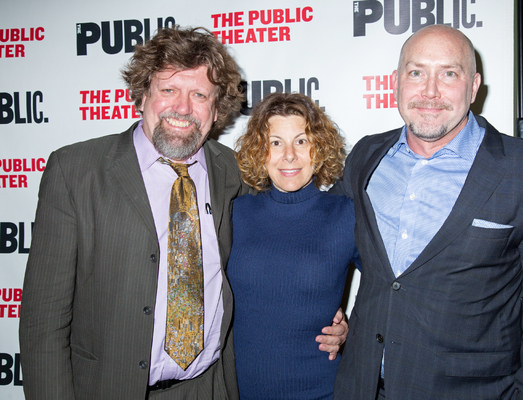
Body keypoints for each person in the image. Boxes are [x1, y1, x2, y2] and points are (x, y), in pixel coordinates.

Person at [19, 26, 347, 400]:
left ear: (216, 107)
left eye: (199, 94)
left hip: (210, 387)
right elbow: (42, 323)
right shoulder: (75, 171)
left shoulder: (231, 170)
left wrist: (333, 319)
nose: (183, 107)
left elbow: (292, 236)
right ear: (143, 94)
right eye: (169, 89)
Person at [332, 24, 523, 399]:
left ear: (474, 86)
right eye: (416, 73)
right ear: (396, 81)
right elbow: (331, 249)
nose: (430, 92)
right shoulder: (365, 157)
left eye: (449, 74)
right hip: (360, 387)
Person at [227, 92, 360, 400]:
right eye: (275, 142)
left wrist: (353, 331)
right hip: (238, 392)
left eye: (301, 141)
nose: (288, 155)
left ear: (319, 147)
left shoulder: (346, 215)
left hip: (322, 391)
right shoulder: (235, 213)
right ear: (260, 151)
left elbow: (392, 291)